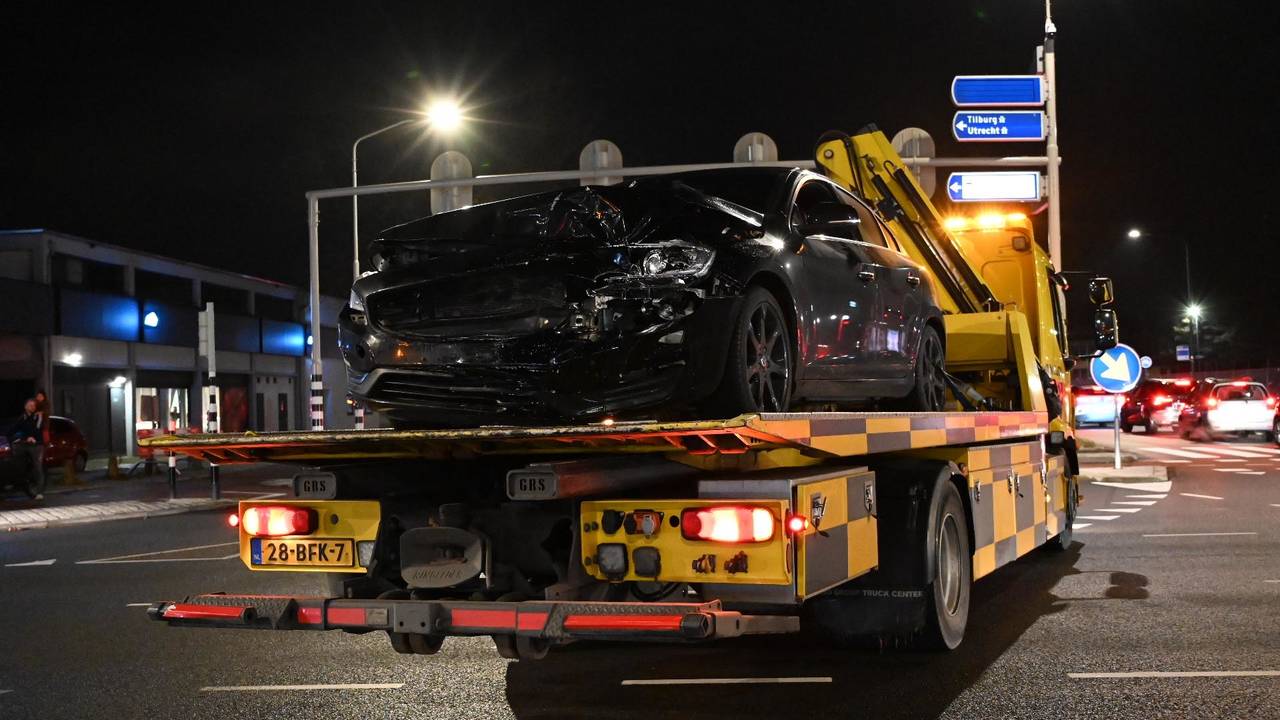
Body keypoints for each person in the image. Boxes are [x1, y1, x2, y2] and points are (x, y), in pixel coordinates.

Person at [10, 398, 45, 500]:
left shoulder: (37, 417)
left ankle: (39, 492)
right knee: (15, 456)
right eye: (30, 405)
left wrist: (32, 437)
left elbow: (37, 430)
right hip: (26, 443)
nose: (32, 407)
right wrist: (15, 438)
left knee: (38, 466)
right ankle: (15, 482)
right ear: (25, 407)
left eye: (33, 406)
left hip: (37, 444)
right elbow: (13, 429)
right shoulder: (22, 418)